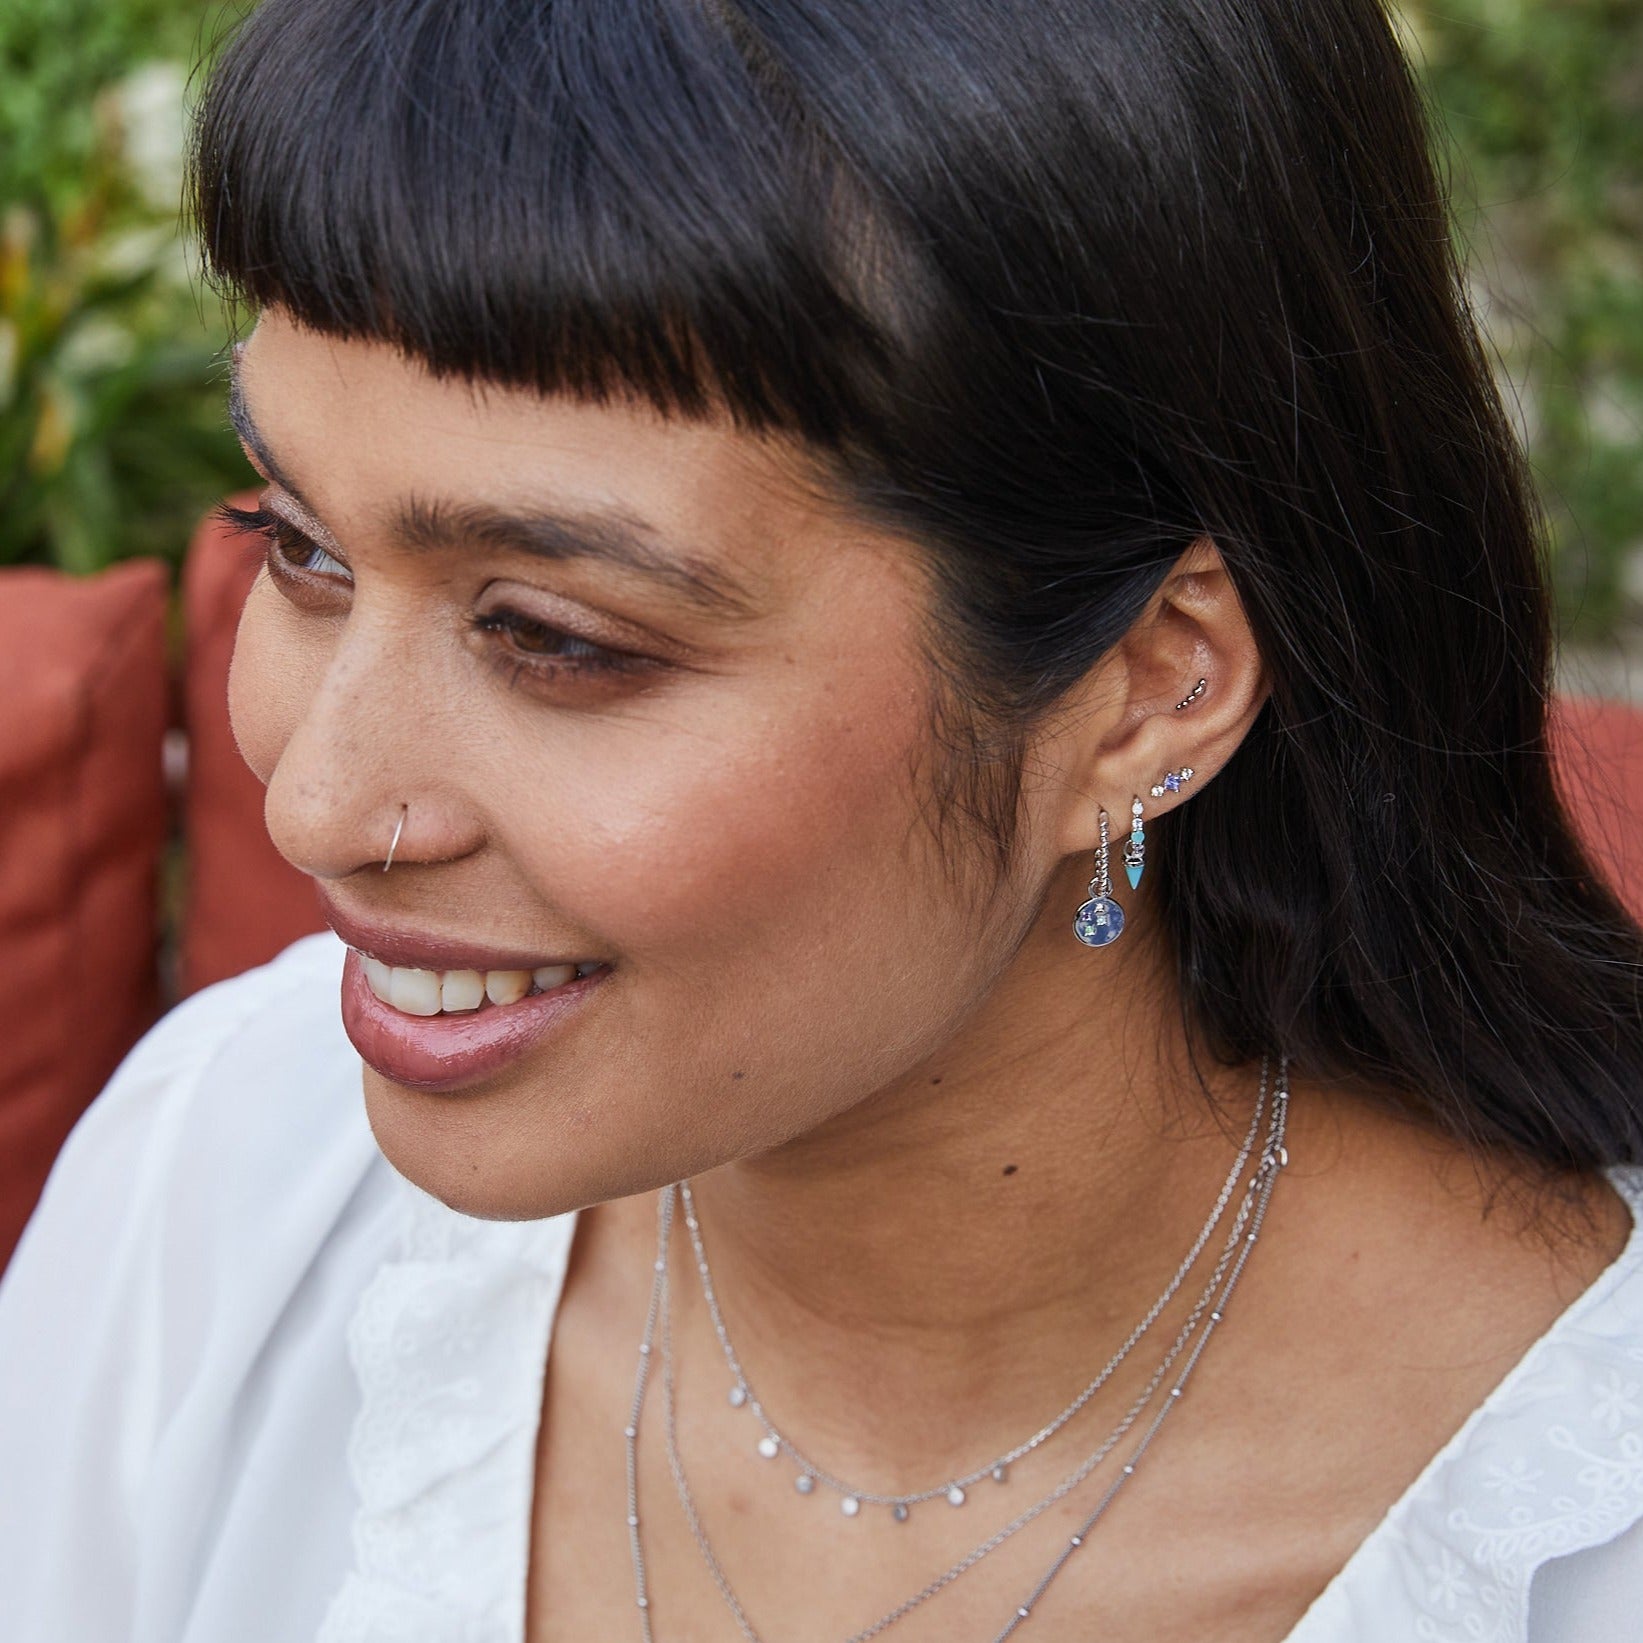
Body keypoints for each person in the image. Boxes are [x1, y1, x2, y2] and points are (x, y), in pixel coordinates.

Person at [3, 0, 1642, 1638]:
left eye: (559, 639)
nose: (315, 802)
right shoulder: (224, 1190)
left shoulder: (1571, 1538)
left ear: (1150, 687)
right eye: (301, 549)